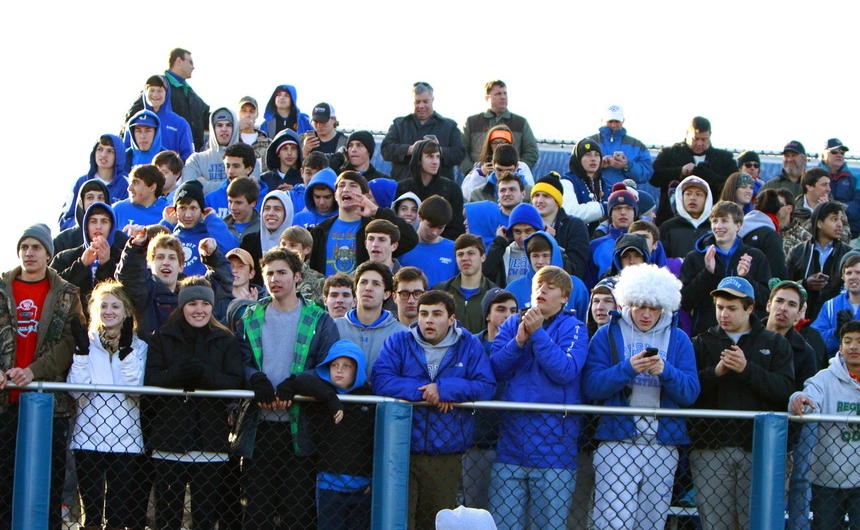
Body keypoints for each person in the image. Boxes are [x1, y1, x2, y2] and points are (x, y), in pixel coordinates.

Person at [584, 264, 699, 530]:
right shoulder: (607, 333)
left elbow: (691, 392)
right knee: (612, 522)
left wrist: (666, 371)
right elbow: (591, 386)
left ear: (665, 306)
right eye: (639, 305)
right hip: (616, 440)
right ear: (627, 302)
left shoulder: (679, 339)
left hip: (663, 444)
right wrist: (628, 369)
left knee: (651, 524)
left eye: (654, 306)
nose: (646, 314)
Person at [372, 290, 496, 530]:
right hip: (401, 450)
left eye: (436, 314)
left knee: (435, 523)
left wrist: (446, 389)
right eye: (424, 313)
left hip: (446, 453)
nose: (428, 319)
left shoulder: (469, 345)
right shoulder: (399, 341)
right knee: (398, 522)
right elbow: (381, 380)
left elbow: (486, 386)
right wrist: (428, 392)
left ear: (451, 319)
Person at [237, 247, 340, 530]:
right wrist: (254, 378)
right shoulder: (249, 317)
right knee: (256, 512)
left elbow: (328, 366)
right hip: (259, 429)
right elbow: (240, 362)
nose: (275, 279)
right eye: (269, 273)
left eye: (282, 272)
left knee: (298, 512)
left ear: (297, 276)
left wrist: (296, 382)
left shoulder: (320, 319)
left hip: (301, 427)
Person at [688, 276, 794, 530]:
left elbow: (784, 390)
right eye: (719, 307)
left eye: (731, 308)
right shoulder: (701, 342)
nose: (724, 314)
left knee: (757, 523)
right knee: (715, 524)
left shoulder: (775, 343)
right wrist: (715, 373)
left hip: (758, 449)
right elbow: (687, 392)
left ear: (749, 308)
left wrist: (747, 370)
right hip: (710, 448)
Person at [488, 265, 587, 530]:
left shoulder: (575, 327)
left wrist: (538, 333)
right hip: (510, 447)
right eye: (538, 286)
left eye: (550, 287)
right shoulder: (511, 324)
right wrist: (518, 341)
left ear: (565, 297)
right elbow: (495, 369)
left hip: (555, 452)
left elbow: (565, 371)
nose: (541, 290)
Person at [0, 224, 85, 530]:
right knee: (4, 485)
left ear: (48, 253)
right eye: (24, 247)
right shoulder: (0, 288)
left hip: (49, 404)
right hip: (4, 402)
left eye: (36, 247)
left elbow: (69, 343)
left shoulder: (66, 293)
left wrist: (33, 371)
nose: (29, 253)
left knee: (48, 484)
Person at [144, 276, 244, 530]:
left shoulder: (226, 339)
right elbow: (151, 381)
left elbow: (236, 382)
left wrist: (203, 374)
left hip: (211, 440)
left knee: (204, 518)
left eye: (204, 303)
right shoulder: (163, 337)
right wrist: (177, 374)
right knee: (167, 517)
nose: (199, 309)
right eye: (192, 304)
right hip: (169, 438)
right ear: (182, 306)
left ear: (212, 306)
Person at [67, 281, 147, 530]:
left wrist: (125, 353)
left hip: (126, 440)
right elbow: (74, 389)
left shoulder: (139, 346)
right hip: (88, 438)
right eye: (103, 306)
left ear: (126, 312)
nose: (109, 311)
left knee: (117, 514)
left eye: (115, 306)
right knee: (91, 515)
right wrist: (81, 354)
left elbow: (136, 389)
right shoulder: (87, 343)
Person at [275, 340, 375, 530]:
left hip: (363, 488)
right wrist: (330, 398)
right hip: (329, 487)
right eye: (334, 365)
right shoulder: (322, 395)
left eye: (347, 366)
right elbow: (301, 380)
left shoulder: (370, 399)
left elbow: (377, 443)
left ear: (358, 370)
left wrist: (375, 480)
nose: (339, 370)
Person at [790, 319, 860, 530]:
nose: (853, 346)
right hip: (827, 479)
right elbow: (809, 394)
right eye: (847, 341)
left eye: (859, 341)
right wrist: (799, 398)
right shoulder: (824, 378)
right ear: (840, 347)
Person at [116, 230, 232, 338]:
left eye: (172, 258)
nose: (166, 263)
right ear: (150, 264)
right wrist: (136, 247)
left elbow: (223, 281)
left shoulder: (192, 292)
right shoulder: (143, 292)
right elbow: (129, 276)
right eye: (160, 257)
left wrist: (212, 256)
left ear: (181, 266)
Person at [680, 200, 772, 336]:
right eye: (715, 221)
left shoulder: (755, 256)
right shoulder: (695, 257)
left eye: (724, 221)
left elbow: (765, 301)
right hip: (706, 335)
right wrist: (708, 274)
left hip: (746, 336)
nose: (718, 226)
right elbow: (685, 301)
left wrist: (746, 278)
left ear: (738, 225)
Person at [463, 288, 518, 510]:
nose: (508, 315)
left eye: (513, 310)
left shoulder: (524, 346)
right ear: (487, 314)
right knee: (476, 510)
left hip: (513, 442)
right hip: (478, 442)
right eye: (501, 309)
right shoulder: (470, 346)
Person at [310, 171, 417, 277]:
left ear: (365, 195)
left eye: (353, 185)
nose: (346, 189)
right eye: (341, 185)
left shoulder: (373, 228)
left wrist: (377, 211)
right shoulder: (321, 230)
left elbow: (410, 239)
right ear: (335, 195)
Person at [651, 116, 736, 224]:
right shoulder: (669, 154)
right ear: (687, 134)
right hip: (672, 221)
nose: (699, 144)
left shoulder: (724, 158)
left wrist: (705, 174)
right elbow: (653, 177)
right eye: (695, 139)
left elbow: (733, 183)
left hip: (712, 221)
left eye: (704, 139)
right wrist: (680, 171)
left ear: (710, 135)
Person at [334, 261, 406, 380]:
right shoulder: (334, 327)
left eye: (376, 284)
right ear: (355, 290)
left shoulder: (401, 333)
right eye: (363, 282)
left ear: (387, 294)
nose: (368, 288)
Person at [381, 82, 466, 182]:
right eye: (417, 102)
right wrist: (411, 149)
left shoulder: (449, 126)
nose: (421, 106)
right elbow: (386, 150)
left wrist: (437, 150)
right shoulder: (399, 124)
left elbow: (459, 154)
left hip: (439, 186)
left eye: (425, 101)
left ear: (432, 100)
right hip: (404, 185)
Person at [128, 48, 208, 152]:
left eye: (159, 91)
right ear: (179, 61)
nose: (193, 67)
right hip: (151, 161)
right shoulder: (156, 85)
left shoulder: (191, 94)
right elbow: (131, 118)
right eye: (190, 62)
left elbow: (208, 119)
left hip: (184, 160)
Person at [49, 202, 128, 305]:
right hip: (74, 318)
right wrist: (81, 264)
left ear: (111, 227)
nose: (98, 226)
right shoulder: (65, 257)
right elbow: (52, 289)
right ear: (86, 227)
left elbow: (129, 293)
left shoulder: (124, 258)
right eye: (93, 221)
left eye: (104, 221)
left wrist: (107, 265)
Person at [787, 201, 850, 322]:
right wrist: (804, 284)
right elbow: (783, 284)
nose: (840, 224)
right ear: (820, 223)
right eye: (834, 219)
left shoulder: (847, 254)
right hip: (801, 318)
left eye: (840, 220)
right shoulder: (797, 252)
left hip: (836, 319)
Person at [460, 80, 539, 175]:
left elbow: (532, 151)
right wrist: (475, 173)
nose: (503, 97)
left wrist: (516, 171)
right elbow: (461, 151)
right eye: (498, 94)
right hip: (480, 180)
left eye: (505, 93)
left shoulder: (520, 122)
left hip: (511, 182)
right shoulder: (472, 122)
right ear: (487, 98)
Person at [506, 231, 589, 320]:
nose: (540, 261)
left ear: (555, 255)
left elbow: (583, 322)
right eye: (535, 256)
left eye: (545, 255)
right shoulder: (513, 289)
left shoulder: (576, 286)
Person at [395, 140, 466, 240]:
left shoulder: (451, 189)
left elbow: (457, 226)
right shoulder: (402, 188)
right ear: (418, 159)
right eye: (430, 156)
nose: (435, 161)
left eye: (437, 157)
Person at [59, 134, 129, 231]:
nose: (103, 154)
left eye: (109, 151)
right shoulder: (80, 182)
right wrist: (85, 227)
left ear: (118, 155)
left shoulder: (127, 184)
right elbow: (66, 218)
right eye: (100, 149)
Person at [185, 107, 261, 194]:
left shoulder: (251, 160)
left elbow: (249, 191)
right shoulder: (196, 160)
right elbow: (189, 189)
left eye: (229, 125)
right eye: (219, 125)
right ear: (213, 129)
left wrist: (204, 185)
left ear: (235, 128)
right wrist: (236, 183)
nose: (224, 129)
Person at [433, 234, 497, 334]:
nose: (465, 258)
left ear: (483, 257)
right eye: (460, 254)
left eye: (471, 253)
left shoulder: (494, 294)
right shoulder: (441, 291)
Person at [530, 172, 590, 278]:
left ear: (557, 200)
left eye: (546, 196)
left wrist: (551, 242)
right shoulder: (526, 225)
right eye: (536, 195)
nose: (539, 201)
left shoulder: (575, 226)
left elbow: (576, 269)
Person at [122, 74, 194, 161]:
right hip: (138, 173)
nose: (155, 95)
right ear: (145, 92)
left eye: (160, 91)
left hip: (166, 173)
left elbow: (188, 158)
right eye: (151, 90)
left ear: (167, 93)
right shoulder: (134, 121)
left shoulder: (180, 123)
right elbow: (125, 154)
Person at [587, 104, 654, 188]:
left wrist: (627, 166)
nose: (613, 125)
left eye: (617, 121)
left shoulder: (638, 146)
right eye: (610, 121)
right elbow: (576, 167)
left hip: (625, 197)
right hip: (594, 194)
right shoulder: (587, 143)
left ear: (623, 121)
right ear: (602, 120)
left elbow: (647, 173)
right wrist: (598, 164)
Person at [398, 195, 458, 287]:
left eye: (440, 228)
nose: (434, 232)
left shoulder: (455, 249)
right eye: (430, 226)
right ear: (420, 217)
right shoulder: (402, 246)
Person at [462, 126, 535, 199]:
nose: (499, 145)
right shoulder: (479, 166)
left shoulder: (521, 167)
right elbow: (467, 194)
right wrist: (481, 174)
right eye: (495, 143)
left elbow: (529, 193)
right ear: (489, 145)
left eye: (504, 142)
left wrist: (517, 176)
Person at [811, 251, 860, 358]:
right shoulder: (829, 306)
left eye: (858, 272)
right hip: (836, 368)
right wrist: (836, 333)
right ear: (843, 277)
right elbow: (813, 338)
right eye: (849, 273)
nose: (853, 277)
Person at [205, 142, 268, 219]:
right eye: (227, 166)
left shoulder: (266, 201)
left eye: (236, 166)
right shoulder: (210, 199)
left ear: (248, 169)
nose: (230, 171)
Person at [738, 188, 788, 281]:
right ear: (777, 211)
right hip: (761, 290)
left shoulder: (737, 228)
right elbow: (778, 270)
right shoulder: (771, 236)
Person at [659, 175, 714, 259]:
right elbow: (662, 260)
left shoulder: (715, 226)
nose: (692, 198)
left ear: (707, 199)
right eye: (688, 194)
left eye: (698, 194)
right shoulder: (668, 227)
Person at [561, 138, 607, 233]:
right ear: (578, 159)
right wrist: (603, 208)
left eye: (597, 155)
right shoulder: (567, 182)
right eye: (587, 155)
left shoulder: (606, 184)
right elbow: (570, 213)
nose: (593, 158)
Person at [54, 180, 112, 254]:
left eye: (100, 198)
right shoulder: (63, 240)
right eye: (90, 197)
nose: (95, 201)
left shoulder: (119, 240)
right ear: (82, 202)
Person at [240, 190, 294, 270]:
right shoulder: (249, 241)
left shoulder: (295, 243)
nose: (271, 213)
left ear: (287, 214)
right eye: (267, 208)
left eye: (277, 209)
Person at [819, 138, 860, 239]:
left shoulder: (856, 178)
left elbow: (857, 207)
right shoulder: (812, 176)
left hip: (851, 237)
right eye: (834, 152)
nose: (839, 155)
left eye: (842, 152)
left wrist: (832, 207)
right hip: (820, 236)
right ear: (823, 154)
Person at [113, 164, 169, 229]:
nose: (129, 188)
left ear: (152, 187)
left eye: (136, 183)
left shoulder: (168, 213)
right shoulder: (118, 210)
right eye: (130, 183)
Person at [279, 227, 325, 306]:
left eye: (293, 245)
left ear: (306, 249)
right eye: (283, 244)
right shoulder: (275, 275)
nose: (286, 249)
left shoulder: (318, 279)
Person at [236, 96, 271, 170]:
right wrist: (236, 129)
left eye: (251, 111)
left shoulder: (268, 143)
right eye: (243, 111)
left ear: (257, 114)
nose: (248, 115)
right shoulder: (230, 139)